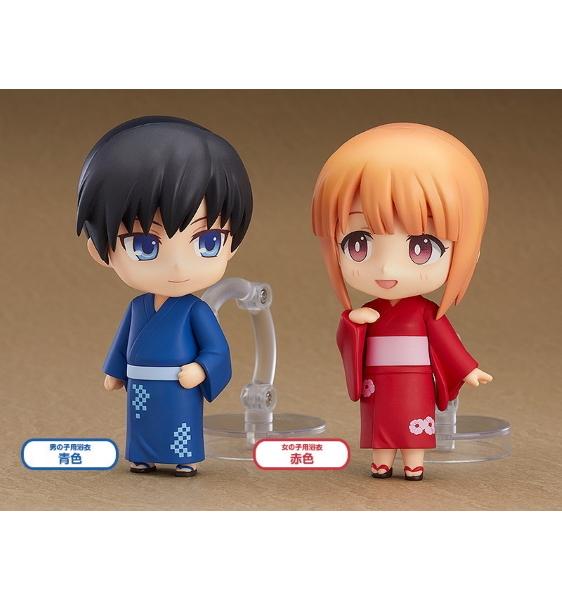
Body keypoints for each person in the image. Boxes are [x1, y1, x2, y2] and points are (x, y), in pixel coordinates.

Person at [311, 123, 492, 481]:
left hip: (414, 380)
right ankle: (381, 461)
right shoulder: (372, 312)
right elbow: (347, 339)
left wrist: (467, 369)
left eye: (422, 247)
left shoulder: (425, 313)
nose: (387, 268)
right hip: (377, 381)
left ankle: (413, 462)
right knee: (381, 424)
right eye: (358, 244)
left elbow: (447, 344)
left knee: (413, 421)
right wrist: (352, 322)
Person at [77, 116, 253, 477]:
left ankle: (184, 457)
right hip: (141, 384)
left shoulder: (195, 311)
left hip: (178, 385)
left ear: (231, 244)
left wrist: (201, 368)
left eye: (207, 242)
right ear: (101, 251)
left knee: (179, 425)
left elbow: (217, 350)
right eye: (144, 245)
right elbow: (123, 343)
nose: (177, 267)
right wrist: (115, 372)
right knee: (142, 422)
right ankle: (142, 455)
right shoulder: (138, 307)